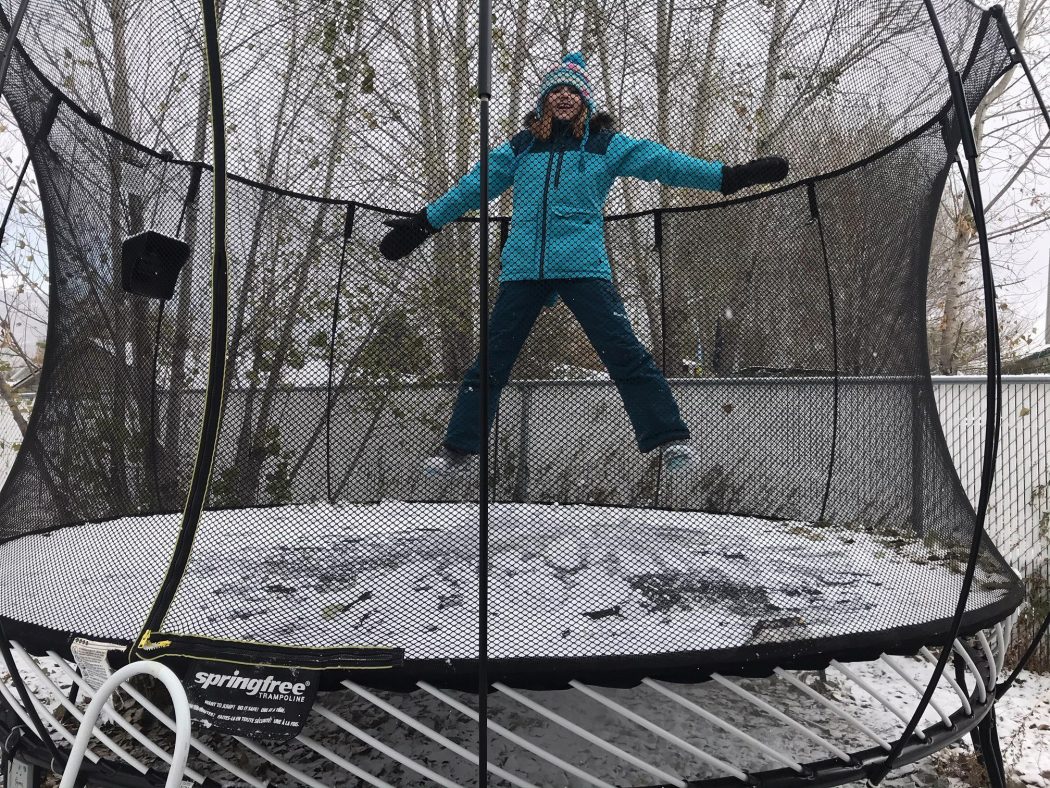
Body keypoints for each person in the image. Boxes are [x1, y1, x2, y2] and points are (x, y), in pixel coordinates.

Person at [380, 52, 789, 476]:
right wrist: (423, 224)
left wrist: (729, 177)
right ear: (542, 101)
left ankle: (670, 440)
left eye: (571, 91)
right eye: (554, 90)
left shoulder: (604, 145)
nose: (562, 97)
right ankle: (459, 450)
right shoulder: (521, 148)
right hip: (523, 267)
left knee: (624, 352)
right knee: (491, 361)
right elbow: (472, 188)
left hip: (582, 264)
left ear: (585, 102)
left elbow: (665, 163)